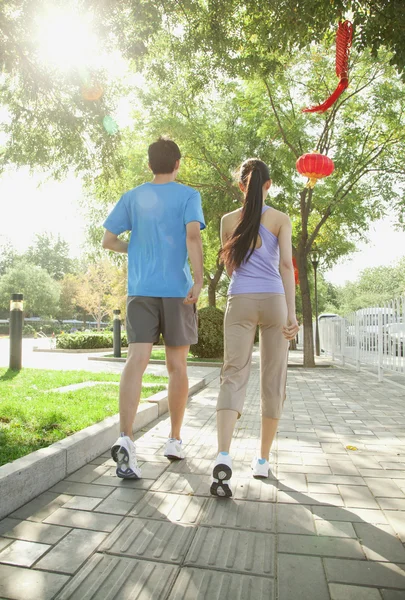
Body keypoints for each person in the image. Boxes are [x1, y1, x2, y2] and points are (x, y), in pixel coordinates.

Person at [102, 137, 205, 479]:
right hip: (177, 291)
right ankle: (174, 439)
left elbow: (108, 240)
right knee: (177, 365)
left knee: (136, 361)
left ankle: (126, 439)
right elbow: (193, 236)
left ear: (149, 165)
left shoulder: (133, 196)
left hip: (141, 290)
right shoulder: (189, 196)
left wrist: (135, 248)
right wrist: (199, 279)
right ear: (178, 164)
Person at [210, 158, 299, 498]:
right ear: (269, 184)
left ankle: (223, 455)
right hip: (275, 300)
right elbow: (287, 266)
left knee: (233, 375)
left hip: (240, 301)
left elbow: (232, 269)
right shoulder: (280, 219)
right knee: (273, 379)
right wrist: (290, 314)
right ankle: (262, 460)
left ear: (241, 186)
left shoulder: (228, 221)